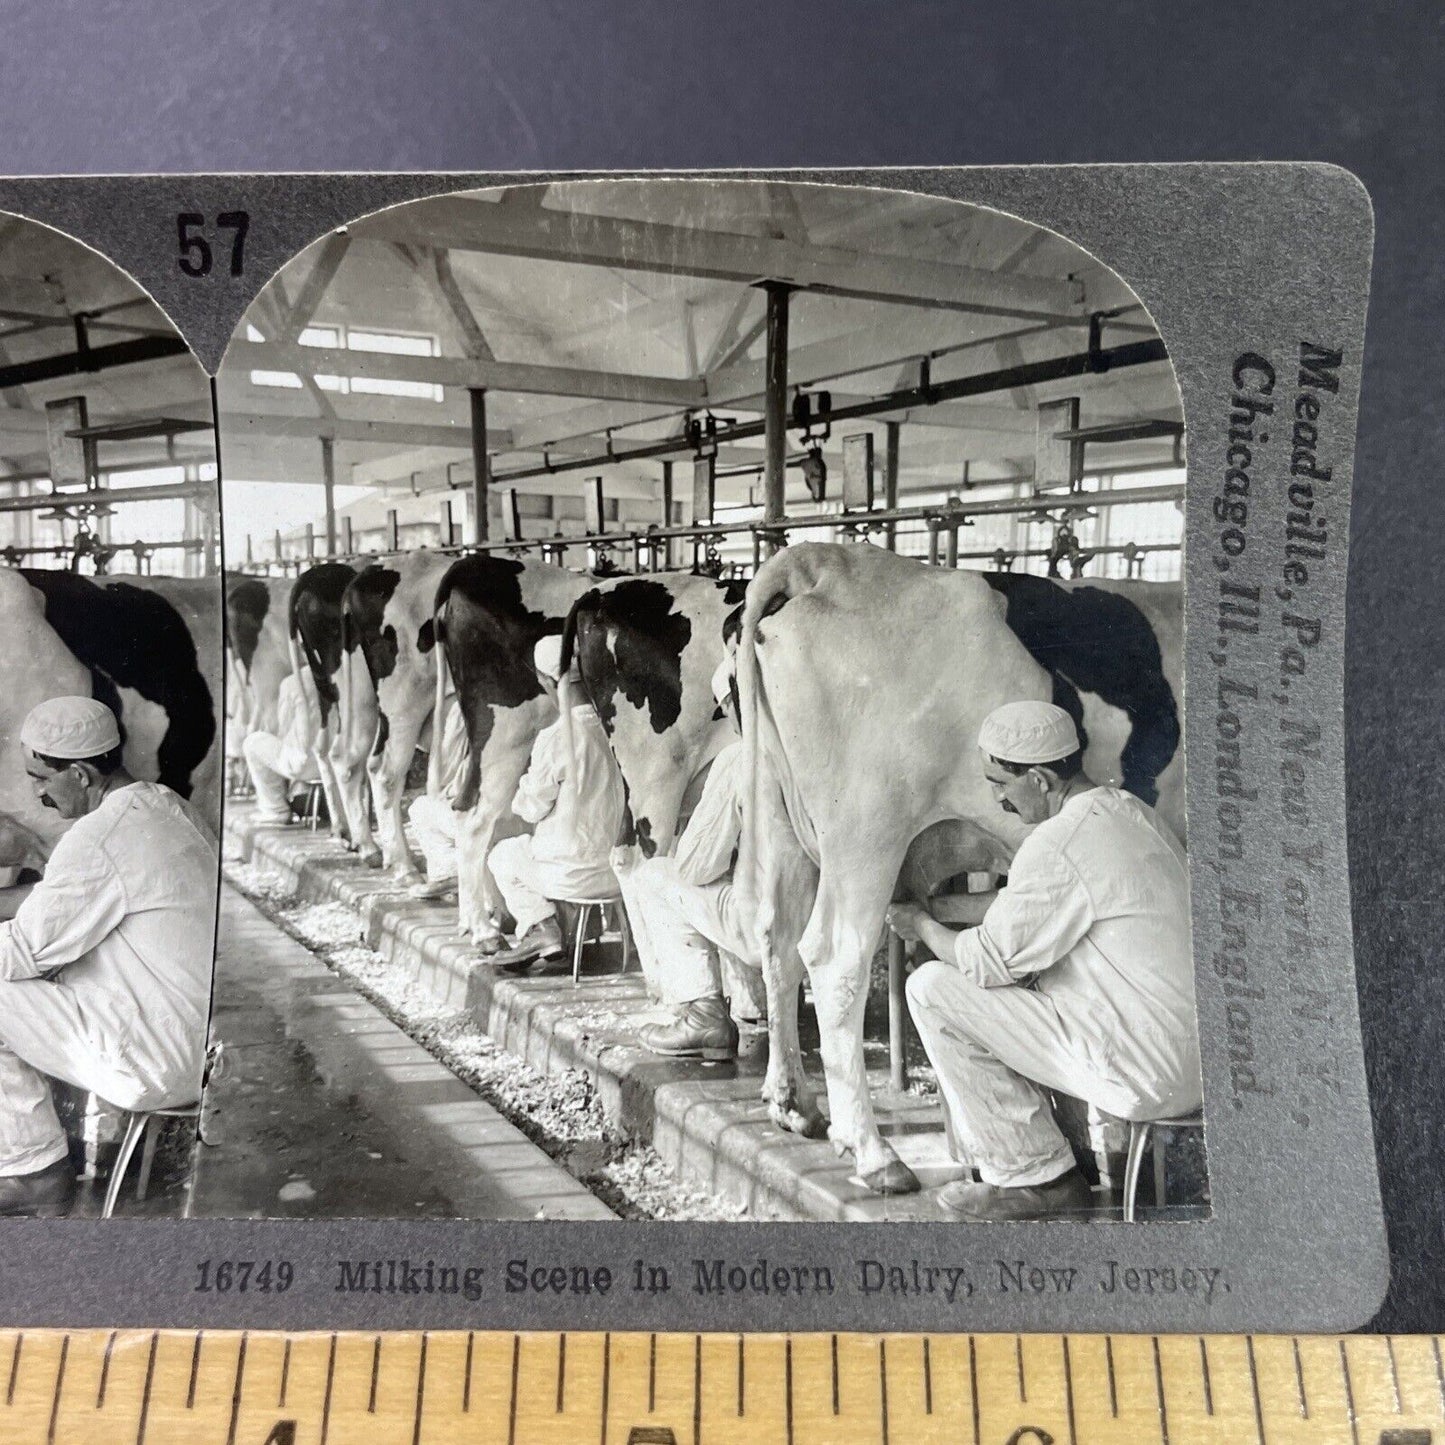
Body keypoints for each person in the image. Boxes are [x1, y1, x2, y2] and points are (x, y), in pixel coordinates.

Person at [889, 699, 1198, 1223]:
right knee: (1027, 980)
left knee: (932, 988)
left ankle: (1038, 1179)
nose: (998, 800)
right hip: (1201, 1063)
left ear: (1037, 779)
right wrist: (938, 908)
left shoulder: (1057, 842)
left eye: (1001, 785)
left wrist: (920, 927)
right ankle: (1052, 1159)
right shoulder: (1127, 813)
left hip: (1145, 1070)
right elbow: (1032, 908)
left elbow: (984, 960)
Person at [0, 697, 218, 1216]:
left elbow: (20, 951)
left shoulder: (99, 837)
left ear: (78, 773)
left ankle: (33, 1170)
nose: (37, 793)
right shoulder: (164, 806)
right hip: (202, 1046)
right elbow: (61, 901)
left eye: (41, 778)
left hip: (160, 1057)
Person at [627, 658, 768, 1062]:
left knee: (656, 875)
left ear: (733, 707)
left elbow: (695, 866)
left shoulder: (738, 758)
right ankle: (758, 1001)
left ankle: (703, 1014)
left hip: (765, 926)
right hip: (833, 928)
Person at [486, 636, 626, 971]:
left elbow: (531, 807)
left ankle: (542, 927)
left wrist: (521, 793)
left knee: (503, 854)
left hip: (570, 876)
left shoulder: (557, 736)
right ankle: (567, 932)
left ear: (548, 681)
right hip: (613, 874)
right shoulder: (613, 728)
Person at [405, 686, 470, 900]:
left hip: (479, 822)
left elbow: (440, 788)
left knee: (421, 808)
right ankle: (452, 872)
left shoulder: (460, 710)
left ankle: (449, 875)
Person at [241, 668, 322, 826]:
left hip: (306, 763)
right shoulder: (347, 675)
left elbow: (283, 728)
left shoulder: (293, 682)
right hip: (339, 762)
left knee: (252, 742)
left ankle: (275, 809)